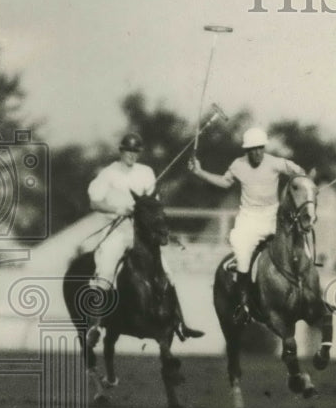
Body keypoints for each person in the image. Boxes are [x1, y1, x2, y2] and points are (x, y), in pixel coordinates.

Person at [88, 132, 203, 339]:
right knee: (106, 270)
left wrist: (145, 209)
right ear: (121, 151)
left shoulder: (146, 173)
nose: (132, 155)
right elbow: (94, 203)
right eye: (128, 150)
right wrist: (119, 209)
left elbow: (153, 202)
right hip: (116, 229)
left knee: (167, 272)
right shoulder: (108, 174)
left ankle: (179, 322)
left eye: (136, 151)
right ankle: (95, 326)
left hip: (140, 231)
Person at [189, 127, 308, 320]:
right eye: (253, 149)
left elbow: (299, 171)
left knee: (297, 244)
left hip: (272, 217)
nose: (257, 152)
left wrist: (305, 182)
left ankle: (309, 294)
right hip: (248, 219)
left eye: (260, 148)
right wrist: (199, 172)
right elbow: (225, 182)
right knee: (243, 255)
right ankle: (242, 305)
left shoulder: (275, 162)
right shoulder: (238, 165)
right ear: (246, 150)